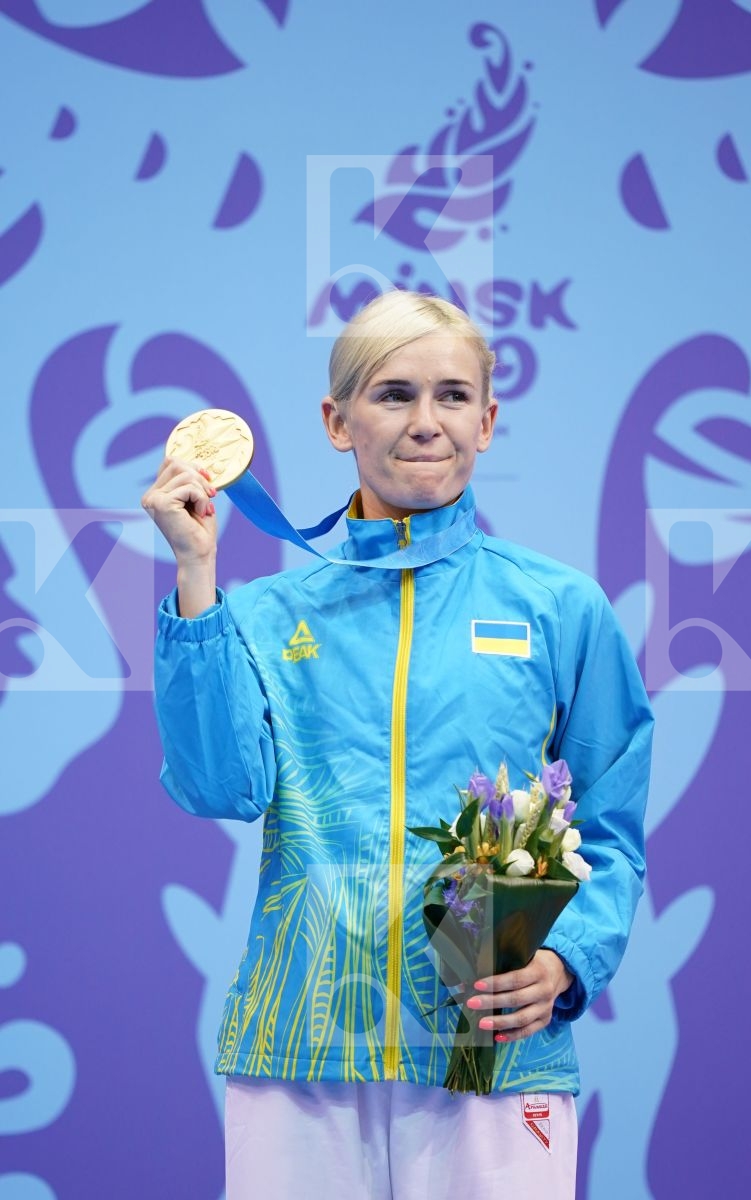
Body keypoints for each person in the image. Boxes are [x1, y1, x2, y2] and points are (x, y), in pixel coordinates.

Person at [142, 290, 653, 1199]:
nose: (427, 422)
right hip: (303, 1045)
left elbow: (610, 826)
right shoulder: (258, 614)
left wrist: (567, 958)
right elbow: (220, 785)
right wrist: (196, 575)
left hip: (488, 1045)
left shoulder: (561, 608)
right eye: (394, 394)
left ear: (489, 421)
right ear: (337, 422)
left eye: (454, 396)